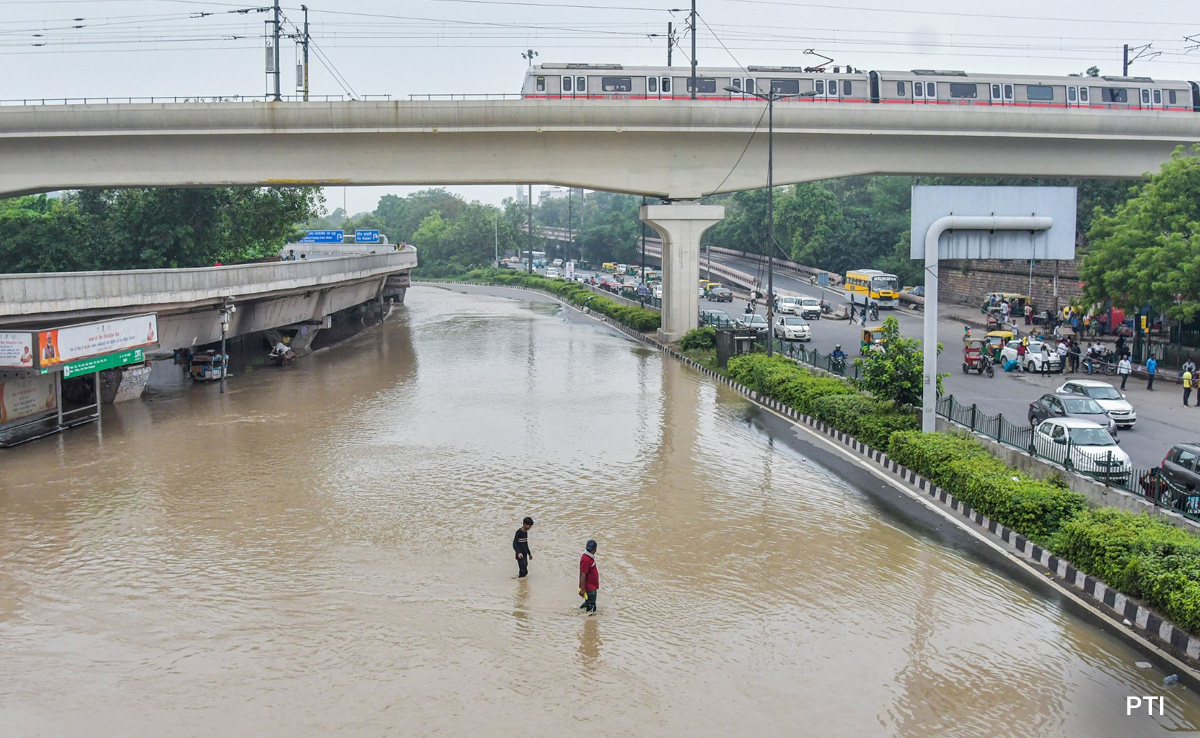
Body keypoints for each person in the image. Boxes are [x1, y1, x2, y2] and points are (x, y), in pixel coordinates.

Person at [578, 539, 599, 613]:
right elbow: (583, 574)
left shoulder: (589, 557)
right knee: (592, 608)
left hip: (592, 586)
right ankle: (590, 622)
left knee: (589, 602)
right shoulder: (586, 559)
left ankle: (579, 612)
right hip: (589, 587)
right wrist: (583, 589)